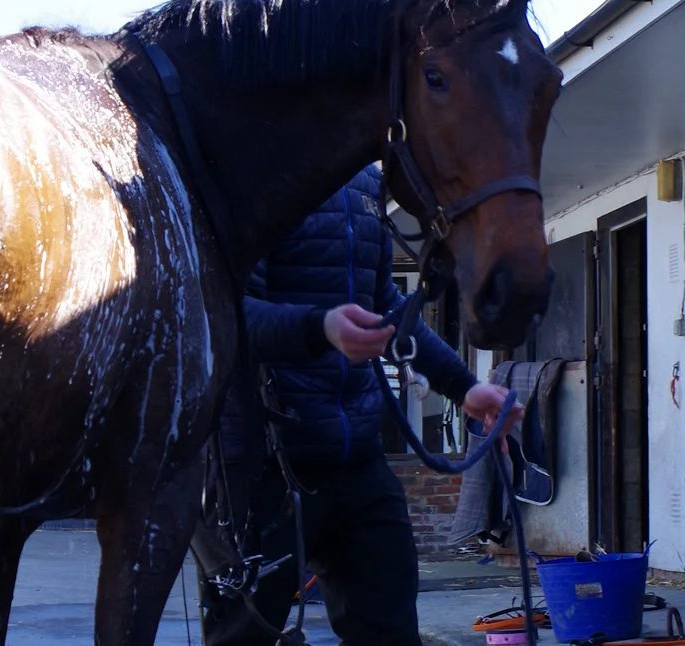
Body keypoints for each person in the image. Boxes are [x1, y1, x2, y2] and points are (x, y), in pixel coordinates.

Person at [198, 162, 523, 646]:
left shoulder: (365, 183)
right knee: (241, 639)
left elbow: (385, 304)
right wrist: (320, 327)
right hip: (263, 465)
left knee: (391, 632)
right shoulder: (250, 166)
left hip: (357, 460)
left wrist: (464, 387)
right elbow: (225, 313)